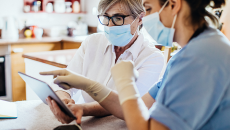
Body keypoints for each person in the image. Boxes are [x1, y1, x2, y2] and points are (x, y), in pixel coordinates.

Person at [41, 0, 230, 129]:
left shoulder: (200, 58)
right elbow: (139, 105)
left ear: (173, 4)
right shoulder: (188, 54)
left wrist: (126, 84)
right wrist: (89, 86)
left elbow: (146, 127)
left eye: (148, 8)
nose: (146, 19)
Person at [42, 0, 165, 124]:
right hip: (87, 122)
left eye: (118, 18)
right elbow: (66, 81)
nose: (110, 26)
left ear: (140, 18)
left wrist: (82, 109)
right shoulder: (92, 42)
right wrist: (63, 99)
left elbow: (126, 103)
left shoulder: (153, 58)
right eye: (106, 18)